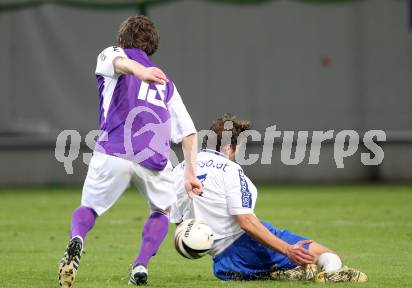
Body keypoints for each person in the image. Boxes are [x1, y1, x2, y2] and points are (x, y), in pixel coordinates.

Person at [58, 15, 202, 287]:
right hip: (154, 159)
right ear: (153, 47)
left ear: (121, 39)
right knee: (163, 210)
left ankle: (77, 239)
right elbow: (189, 133)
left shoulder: (112, 52)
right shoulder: (166, 83)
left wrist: (137, 71)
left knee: (89, 207)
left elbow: (117, 62)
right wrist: (189, 173)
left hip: (113, 151)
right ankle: (140, 266)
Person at [170, 114, 367, 283]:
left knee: (280, 265)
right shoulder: (230, 169)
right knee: (328, 256)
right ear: (230, 147)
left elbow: (180, 224)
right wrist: (287, 249)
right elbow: (246, 222)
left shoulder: (181, 171)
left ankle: (285, 272)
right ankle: (331, 272)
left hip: (222, 266)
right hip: (246, 247)